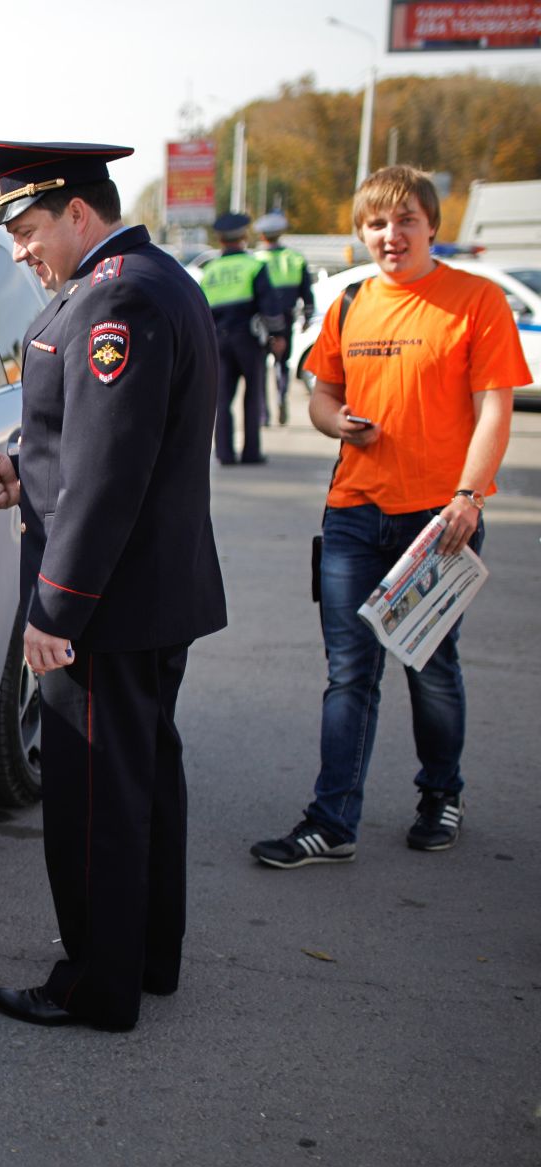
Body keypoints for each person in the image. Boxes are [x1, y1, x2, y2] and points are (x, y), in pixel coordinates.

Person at [0, 139, 226, 1032]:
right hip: (152, 592)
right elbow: (96, 436)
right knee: (145, 779)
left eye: (29, 228)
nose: (19, 249)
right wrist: (21, 463)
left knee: (91, 802)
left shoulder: (113, 297)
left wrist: (55, 611)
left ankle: (95, 985)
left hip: (105, 605)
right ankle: (147, 959)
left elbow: (111, 469)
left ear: (79, 213)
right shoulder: (154, 279)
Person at [251, 165, 530, 869]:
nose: (390, 234)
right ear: (361, 233)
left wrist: (468, 496)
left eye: (405, 219)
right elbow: (321, 396)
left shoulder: (476, 300)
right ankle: (331, 821)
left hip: (439, 520)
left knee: (429, 668)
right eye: (376, 223)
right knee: (349, 672)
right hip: (353, 513)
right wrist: (336, 423)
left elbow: (496, 407)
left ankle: (441, 794)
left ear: (432, 224)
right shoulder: (350, 304)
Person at [199, 212, 285, 463]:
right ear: (244, 237)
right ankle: (251, 452)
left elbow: (203, 309)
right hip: (248, 338)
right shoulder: (255, 266)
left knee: (223, 398)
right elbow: (269, 307)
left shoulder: (210, 270)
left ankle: (224, 453)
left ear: (220, 239)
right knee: (252, 394)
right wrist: (278, 335)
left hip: (218, 341)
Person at [254, 211, 315, 426]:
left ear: (263, 236)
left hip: (261, 322)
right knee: (282, 363)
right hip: (286, 319)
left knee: (260, 366)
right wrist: (307, 316)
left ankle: (263, 412)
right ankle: (281, 396)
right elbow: (307, 292)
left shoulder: (256, 259)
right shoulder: (295, 258)